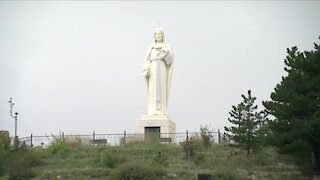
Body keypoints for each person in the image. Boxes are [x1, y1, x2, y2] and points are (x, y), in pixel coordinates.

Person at [143, 28, 174, 115]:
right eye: (157, 34)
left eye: (160, 34)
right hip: (153, 69)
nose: (158, 36)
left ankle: (161, 111)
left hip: (162, 68)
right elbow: (147, 60)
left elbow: (170, 60)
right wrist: (147, 67)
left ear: (162, 36)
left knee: (162, 89)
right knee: (152, 89)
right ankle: (152, 111)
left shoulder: (167, 46)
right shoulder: (151, 47)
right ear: (155, 36)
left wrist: (165, 52)